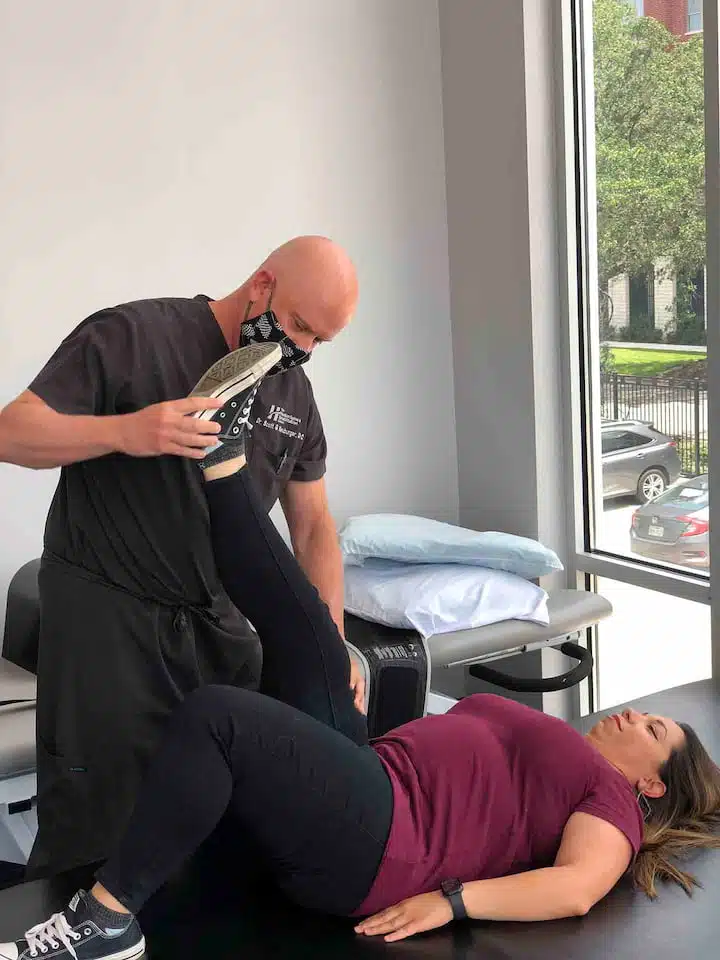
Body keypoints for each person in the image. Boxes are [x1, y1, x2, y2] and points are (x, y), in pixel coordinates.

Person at [3, 351, 720, 960]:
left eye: (654, 731)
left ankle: (103, 923)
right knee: (307, 630)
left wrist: (452, 903)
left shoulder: (613, 807)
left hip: (384, 844)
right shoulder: (572, 759)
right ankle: (222, 458)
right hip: (373, 780)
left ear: (652, 786)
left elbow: (575, 888)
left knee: (219, 716)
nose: (635, 716)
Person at [0, 236, 364, 879]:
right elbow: (12, 431)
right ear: (261, 284)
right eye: (299, 326)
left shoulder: (292, 394)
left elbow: (313, 529)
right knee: (95, 831)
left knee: (214, 827)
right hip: (108, 621)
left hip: (218, 634)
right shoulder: (131, 336)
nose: (302, 350)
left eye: (320, 342)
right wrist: (128, 431)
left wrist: (327, 646)